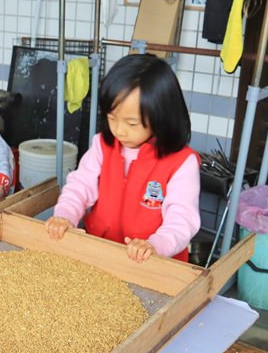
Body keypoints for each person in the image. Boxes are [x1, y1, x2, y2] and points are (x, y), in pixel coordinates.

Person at [45, 54, 200, 263]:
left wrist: (156, 245)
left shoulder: (181, 163)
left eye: (132, 123)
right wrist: (65, 215)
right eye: (112, 118)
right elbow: (80, 186)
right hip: (100, 253)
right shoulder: (102, 145)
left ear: (161, 117)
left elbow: (182, 219)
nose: (119, 130)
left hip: (154, 263)